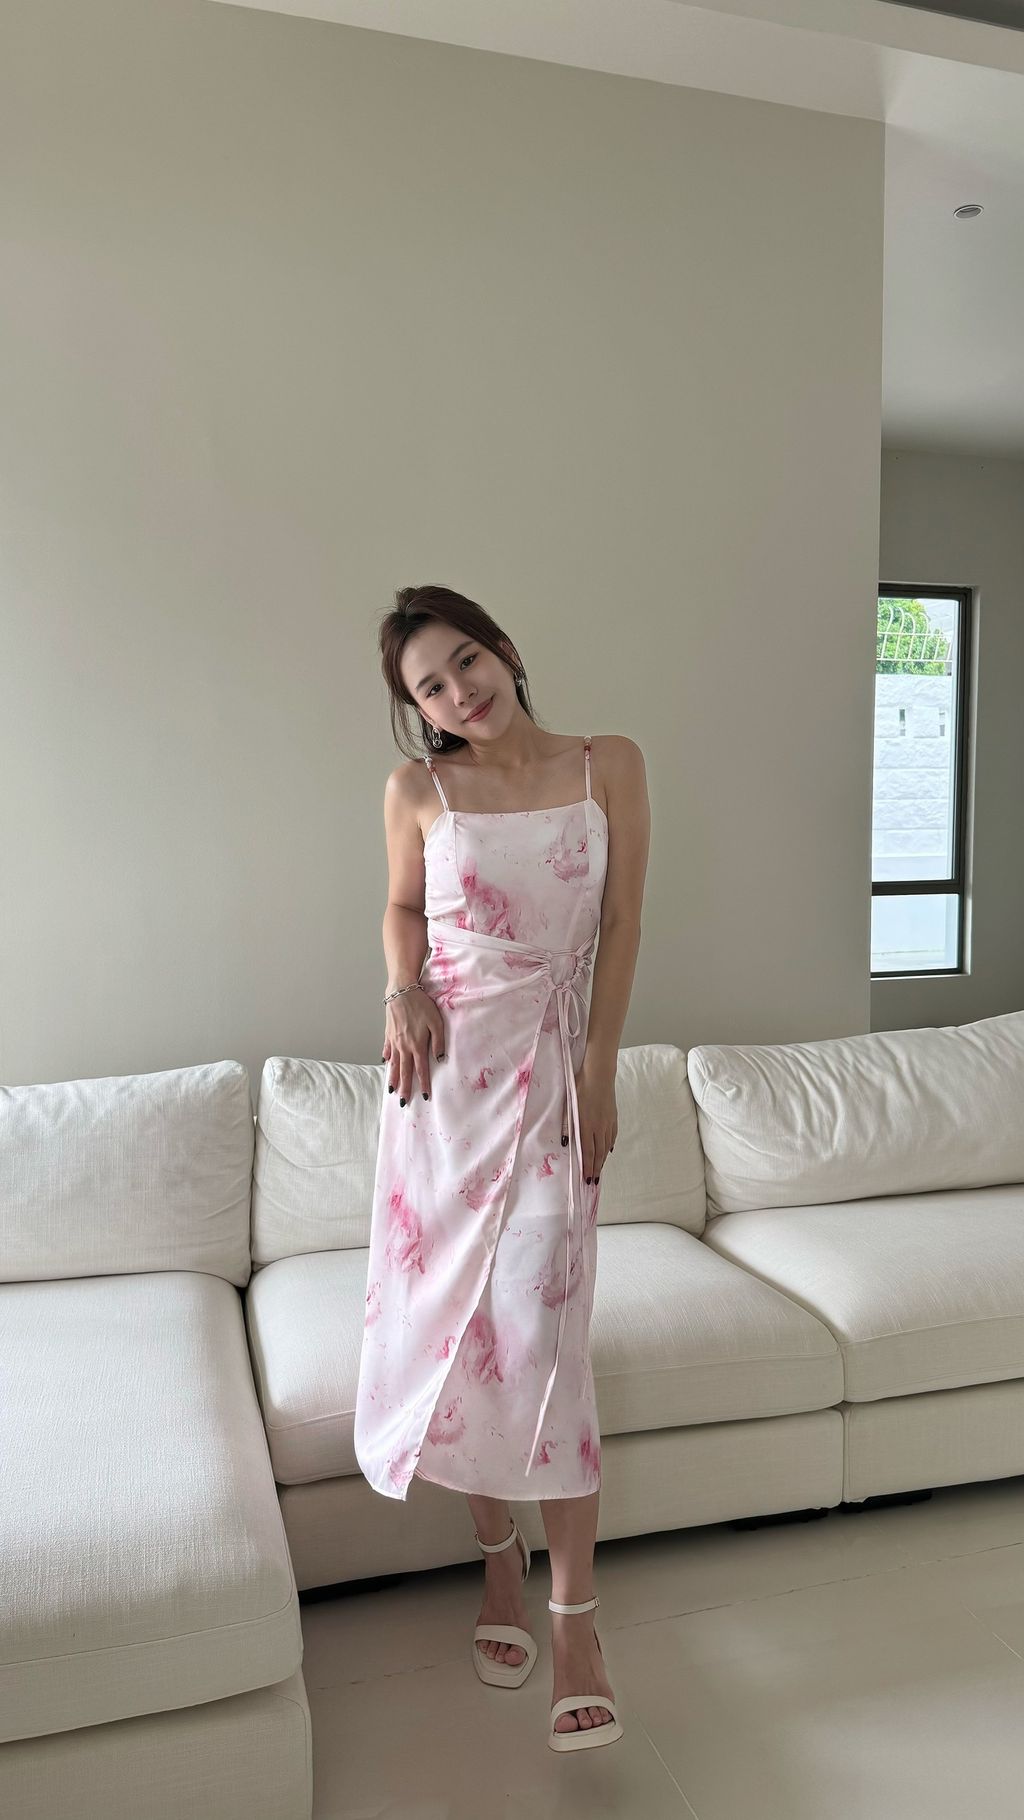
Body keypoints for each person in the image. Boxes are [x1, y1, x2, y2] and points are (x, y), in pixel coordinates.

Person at [354, 583, 650, 1752]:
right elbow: (399, 906)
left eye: (466, 661)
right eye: (430, 686)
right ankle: (496, 1565)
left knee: (545, 1343)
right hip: (442, 1092)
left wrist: (600, 1067)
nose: (458, 692)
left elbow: (621, 926)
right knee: (462, 1336)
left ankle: (576, 1621)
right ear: (417, 708)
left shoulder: (607, 763)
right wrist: (401, 986)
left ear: (505, 650)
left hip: (556, 1084)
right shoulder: (416, 790)